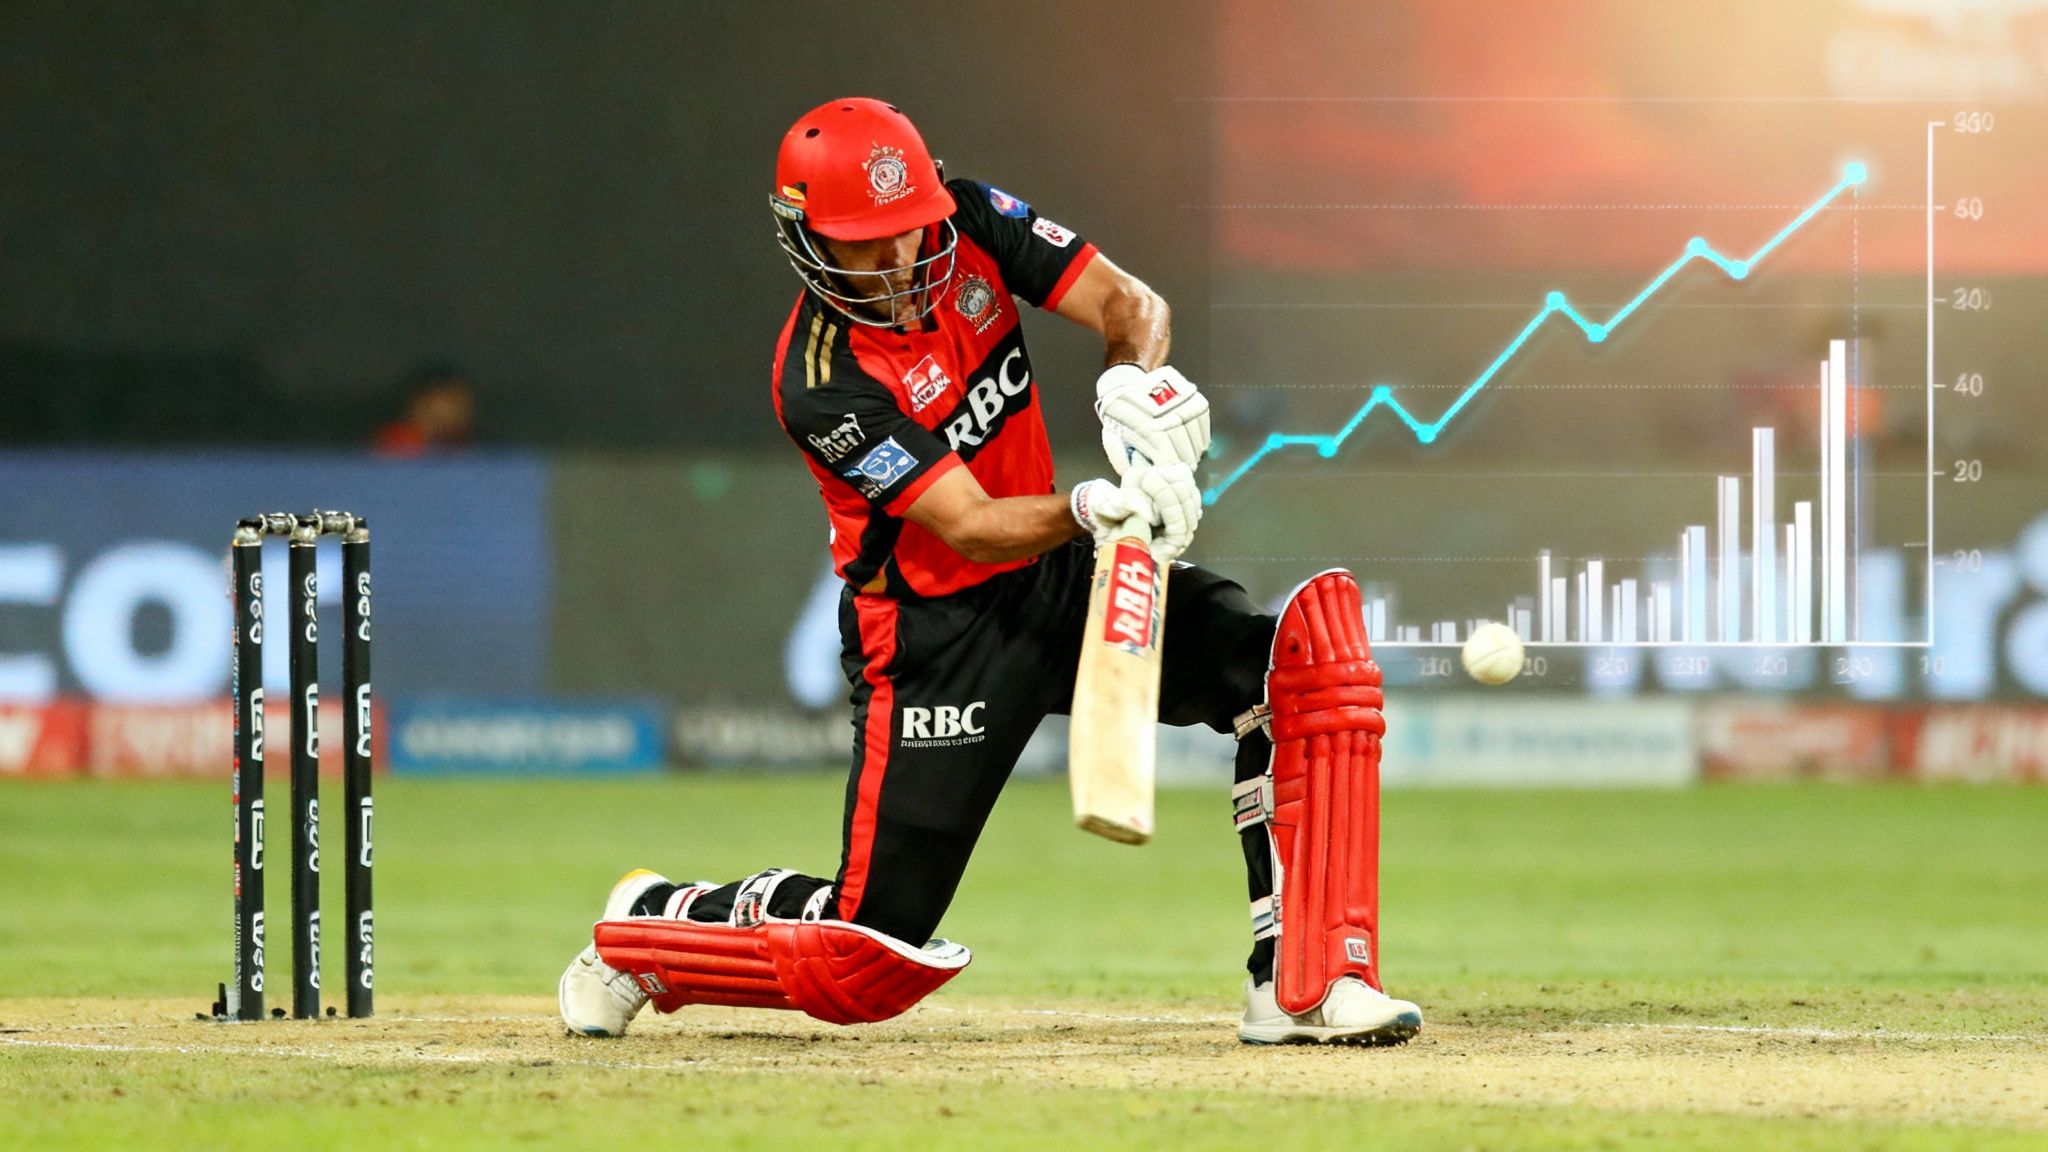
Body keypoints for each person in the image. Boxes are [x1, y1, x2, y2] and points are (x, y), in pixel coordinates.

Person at [558, 98, 1422, 1046]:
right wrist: (1094, 506)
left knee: (1297, 667)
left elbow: (1132, 305)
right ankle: (653, 929)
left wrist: (1131, 386)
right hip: (937, 636)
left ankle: (1304, 984)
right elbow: (968, 526)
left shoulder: (971, 222)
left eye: (907, 231)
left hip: (1066, 580)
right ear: (809, 241)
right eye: (865, 243)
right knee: (864, 957)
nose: (897, 261)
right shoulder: (820, 379)